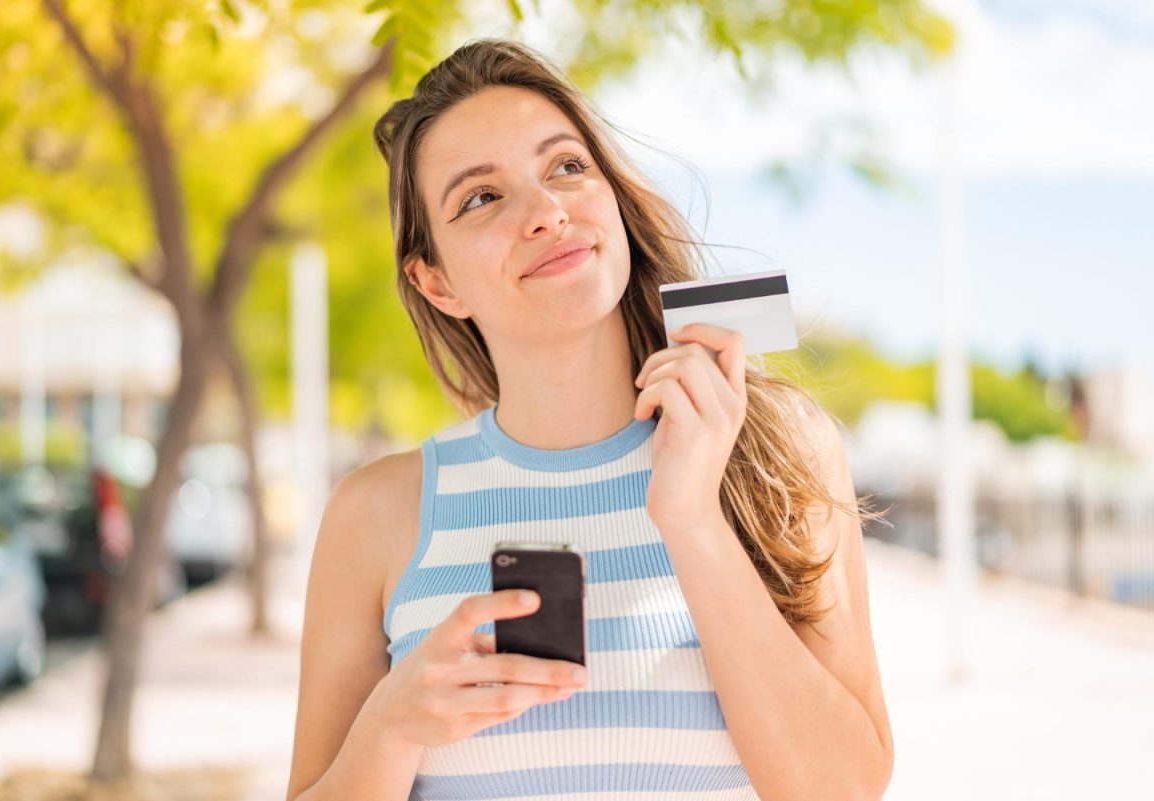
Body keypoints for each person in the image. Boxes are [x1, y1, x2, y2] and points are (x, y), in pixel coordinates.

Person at [286, 37, 893, 801]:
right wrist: (392, 723)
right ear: (436, 281)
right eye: (481, 197)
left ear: (612, 196)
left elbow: (842, 790)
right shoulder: (374, 516)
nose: (545, 213)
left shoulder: (780, 452)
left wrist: (690, 517)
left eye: (567, 167)